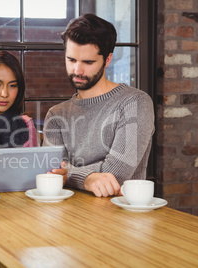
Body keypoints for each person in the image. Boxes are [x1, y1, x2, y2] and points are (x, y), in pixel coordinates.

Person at [44, 14, 154, 197]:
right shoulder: (56, 115)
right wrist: (88, 178)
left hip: (120, 218)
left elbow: (114, 176)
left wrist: (71, 174)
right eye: (71, 60)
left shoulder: (135, 103)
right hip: (67, 215)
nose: (77, 70)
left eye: (88, 62)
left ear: (108, 60)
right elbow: (52, 173)